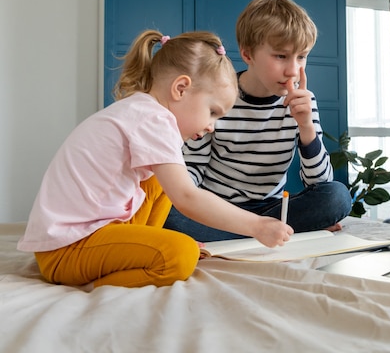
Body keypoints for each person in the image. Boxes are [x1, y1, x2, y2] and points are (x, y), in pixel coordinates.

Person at [17, 30, 294, 288]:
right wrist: (256, 225)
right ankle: (99, 281)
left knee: (161, 180)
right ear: (181, 89)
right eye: (212, 112)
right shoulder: (154, 119)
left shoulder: (142, 109)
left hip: (82, 237)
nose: (212, 126)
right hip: (68, 251)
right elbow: (187, 197)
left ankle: (147, 247)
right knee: (180, 255)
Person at [164, 0, 352, 242]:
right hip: (219, 210)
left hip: (271, 209)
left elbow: (320, 184)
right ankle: (267, 232)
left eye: (301, 57)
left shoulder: (304, 102)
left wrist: (306, 128)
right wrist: (186, 203)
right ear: (248, 54)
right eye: (281, 56)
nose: (293, 70)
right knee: (167, 209)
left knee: (337, 196)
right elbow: (194, 167)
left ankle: (256, 232)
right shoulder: (217, 97)